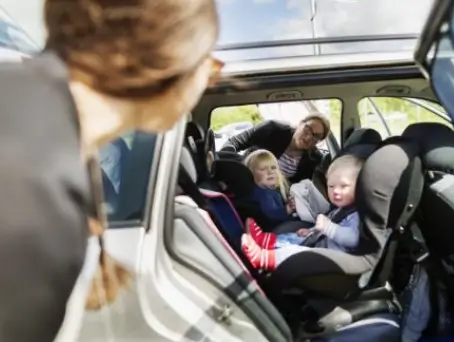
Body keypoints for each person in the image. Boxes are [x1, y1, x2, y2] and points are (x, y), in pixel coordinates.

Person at [0, 0, 221, 340]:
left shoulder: (44, 118)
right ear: (164, 56)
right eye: (210, 65)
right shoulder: (34, 187)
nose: (207, 80)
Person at [241, 155, 363, 271]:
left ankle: (263, 258)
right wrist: (312, 231)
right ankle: (265, 240)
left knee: (294, 251)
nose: (336, 191)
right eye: (331, 186)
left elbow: (354, 239)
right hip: (322, 243)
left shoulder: (357, 215)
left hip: (329, 257)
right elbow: (327, 228)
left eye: (343, 186)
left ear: (361, 187)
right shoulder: (342, 209)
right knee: (294, 237)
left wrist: (328, 227)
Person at [220, 114, 330, 183]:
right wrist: (235, 168)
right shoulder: (273, 129)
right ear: (300, 124)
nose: (308, 137)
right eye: (307, 129)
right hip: (246, 181)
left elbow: (299, 187)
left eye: (316, 136)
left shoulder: (314, 159)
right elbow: (234, 142)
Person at [244, 149, 294, 223]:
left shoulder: (271, 191)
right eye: (263, 169)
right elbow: (271, 215)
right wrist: (288, 208)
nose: (270, 172)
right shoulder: (263, 194)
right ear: (251, 173)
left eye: (273, 168)